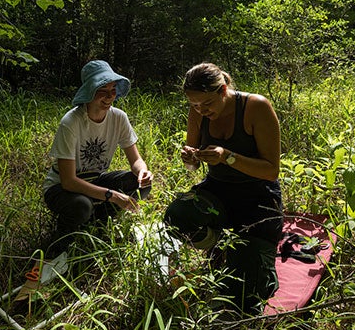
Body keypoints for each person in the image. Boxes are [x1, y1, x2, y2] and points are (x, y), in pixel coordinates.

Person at [164, 62, 283, 315]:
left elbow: (271, 170)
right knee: (177, 216)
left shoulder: (256, 107)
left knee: (245, 296)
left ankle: (248, 256)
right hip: (219, 190)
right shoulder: (198, 111)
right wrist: (190, 159)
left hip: (258, 197)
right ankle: (220, 247)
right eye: (194, 104)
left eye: (206, 104)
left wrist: (228, 156)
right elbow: (193, 166)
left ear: (223, 90)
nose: (200, 110)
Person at [42, 60, 153, 256]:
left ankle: (97, 224)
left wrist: (142, 171)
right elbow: (68, 182)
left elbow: (135, 160)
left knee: (138, 185)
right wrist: (113, 195)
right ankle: (60, 244)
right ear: (90, 92)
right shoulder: (71, 122)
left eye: (113, 90)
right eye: (103, 90)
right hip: (61, 188)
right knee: (81, 205)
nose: (110, 96)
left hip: (95, 180)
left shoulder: (119, 117)